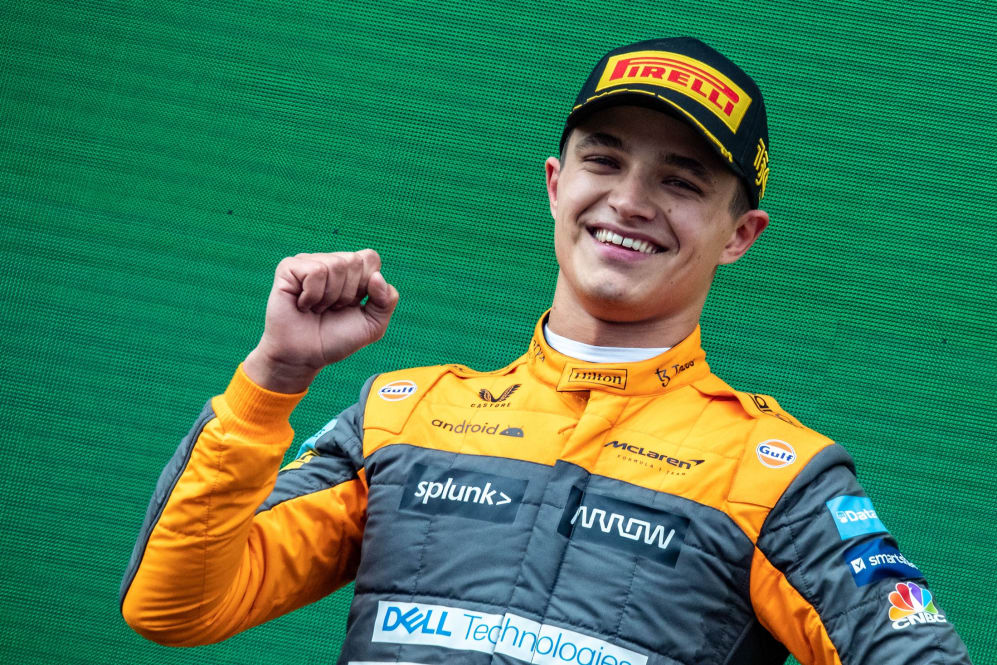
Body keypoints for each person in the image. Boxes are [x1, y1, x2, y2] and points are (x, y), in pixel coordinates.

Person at [120, 37, 972, 664]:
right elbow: (176, 603)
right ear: (556, 184)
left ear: (738, 234)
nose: (629, 200)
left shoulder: (775, 474)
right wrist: (274, 377)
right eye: (603, 160)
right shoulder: (400, 417)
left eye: (679, 181)